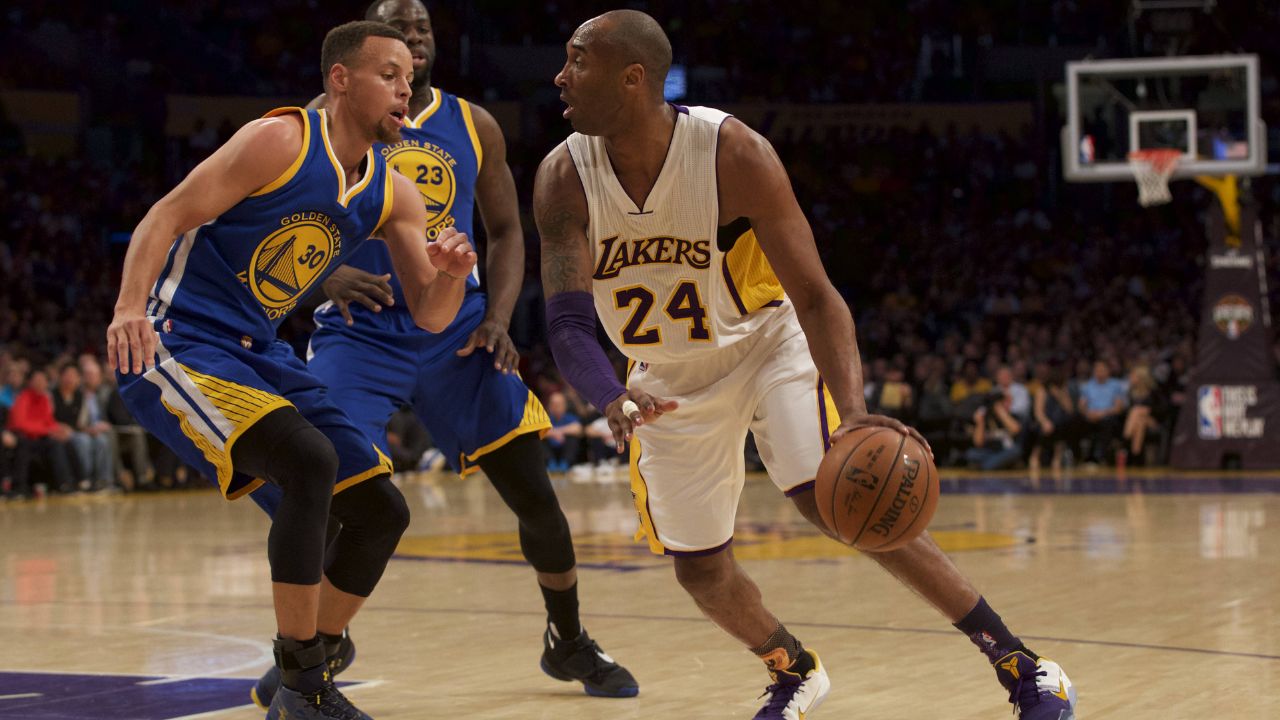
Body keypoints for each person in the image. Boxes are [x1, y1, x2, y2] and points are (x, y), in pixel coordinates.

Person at [535, 10, 1075, 719]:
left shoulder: (732, 154)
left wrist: (852, 415)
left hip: (766, 343)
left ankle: (1025, 668)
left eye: (577, 61)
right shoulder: (563, 177)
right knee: (699, 570)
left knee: (838, 501)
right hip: (663, 380)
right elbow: (569, 321)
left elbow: (818, 298)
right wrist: (608, 395)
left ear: (633, 78)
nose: (560, 76)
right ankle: (794, 669)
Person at [247, 0, 637, 705]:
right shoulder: (319, 117)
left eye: (421, 27)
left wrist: (497, 316)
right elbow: (276, 222)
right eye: (395, 29)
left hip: (456, 332)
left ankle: (568, 640)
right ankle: (325, 634)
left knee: (535, 497)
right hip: (359, 333)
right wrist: (323, 277)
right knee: (313, 482)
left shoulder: (473, 124)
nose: (413, 38)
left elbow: (507, 232)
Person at [107, 21, 477, 720]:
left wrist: (454, 275)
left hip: (259, 351)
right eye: (387, 74)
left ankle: (304, 675)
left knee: (380, 510)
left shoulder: (395, 191)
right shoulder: (281, 139)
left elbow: (430, 312)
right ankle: (305, 684)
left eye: (409, 76)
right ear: (341, 79)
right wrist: (130, 308)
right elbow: (166, 214)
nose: (405, 88)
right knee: (309, 461)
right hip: (179, 341)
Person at [7, 369, 76, 497]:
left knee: (58, 443)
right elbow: (20, 424)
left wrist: (59, 429)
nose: (40, 383)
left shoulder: (44, 399)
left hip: (41, 438)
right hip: (24, 437)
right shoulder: (23, 397)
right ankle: (19, 487)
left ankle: (65, 484)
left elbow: (49, 421)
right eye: (37, 380)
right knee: (24, 445)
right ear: (30, 382)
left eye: (43, 380)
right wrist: (48, 430)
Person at [53, 363, 113, 491]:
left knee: (101, 440)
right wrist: (59, 427)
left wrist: (91, 429)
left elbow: (82, 423)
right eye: (67, 375)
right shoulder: (52, 395)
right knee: (83, 441)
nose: (70, 379)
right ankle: (85, 480)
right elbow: (47, 418)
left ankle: (104, 480)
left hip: (77, 430)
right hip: (58, 431)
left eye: (74, 376)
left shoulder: (80, 396)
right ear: (60, 377)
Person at [1077, 360, 1127, 465]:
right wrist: (1088, 413)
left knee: (1107, 423)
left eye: (1102, 370)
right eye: (1097, 370)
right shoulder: (1088, 386)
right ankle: (1082, 457)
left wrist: (1102, 414)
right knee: (1076, 421)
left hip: (1108, 416)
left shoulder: (1115, 385)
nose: (1099, 372)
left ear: (1108, 371)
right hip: (1090, 416)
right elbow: (1081, 406)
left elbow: (1118, 408)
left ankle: (1099, 457)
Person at [543, 390, 583, 472]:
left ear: (564, 405)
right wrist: (554, 434)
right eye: (553, 404)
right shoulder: (545, 418)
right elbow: (538, 432)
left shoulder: (570, 417)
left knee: (572, 439)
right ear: (549, 406)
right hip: (550, 452)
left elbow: (578, 428)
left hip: (565, 450)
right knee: (540, 440)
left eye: (559, 404)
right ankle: (550, 464)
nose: (556, 407)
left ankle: (565, 464)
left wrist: (556, 432)